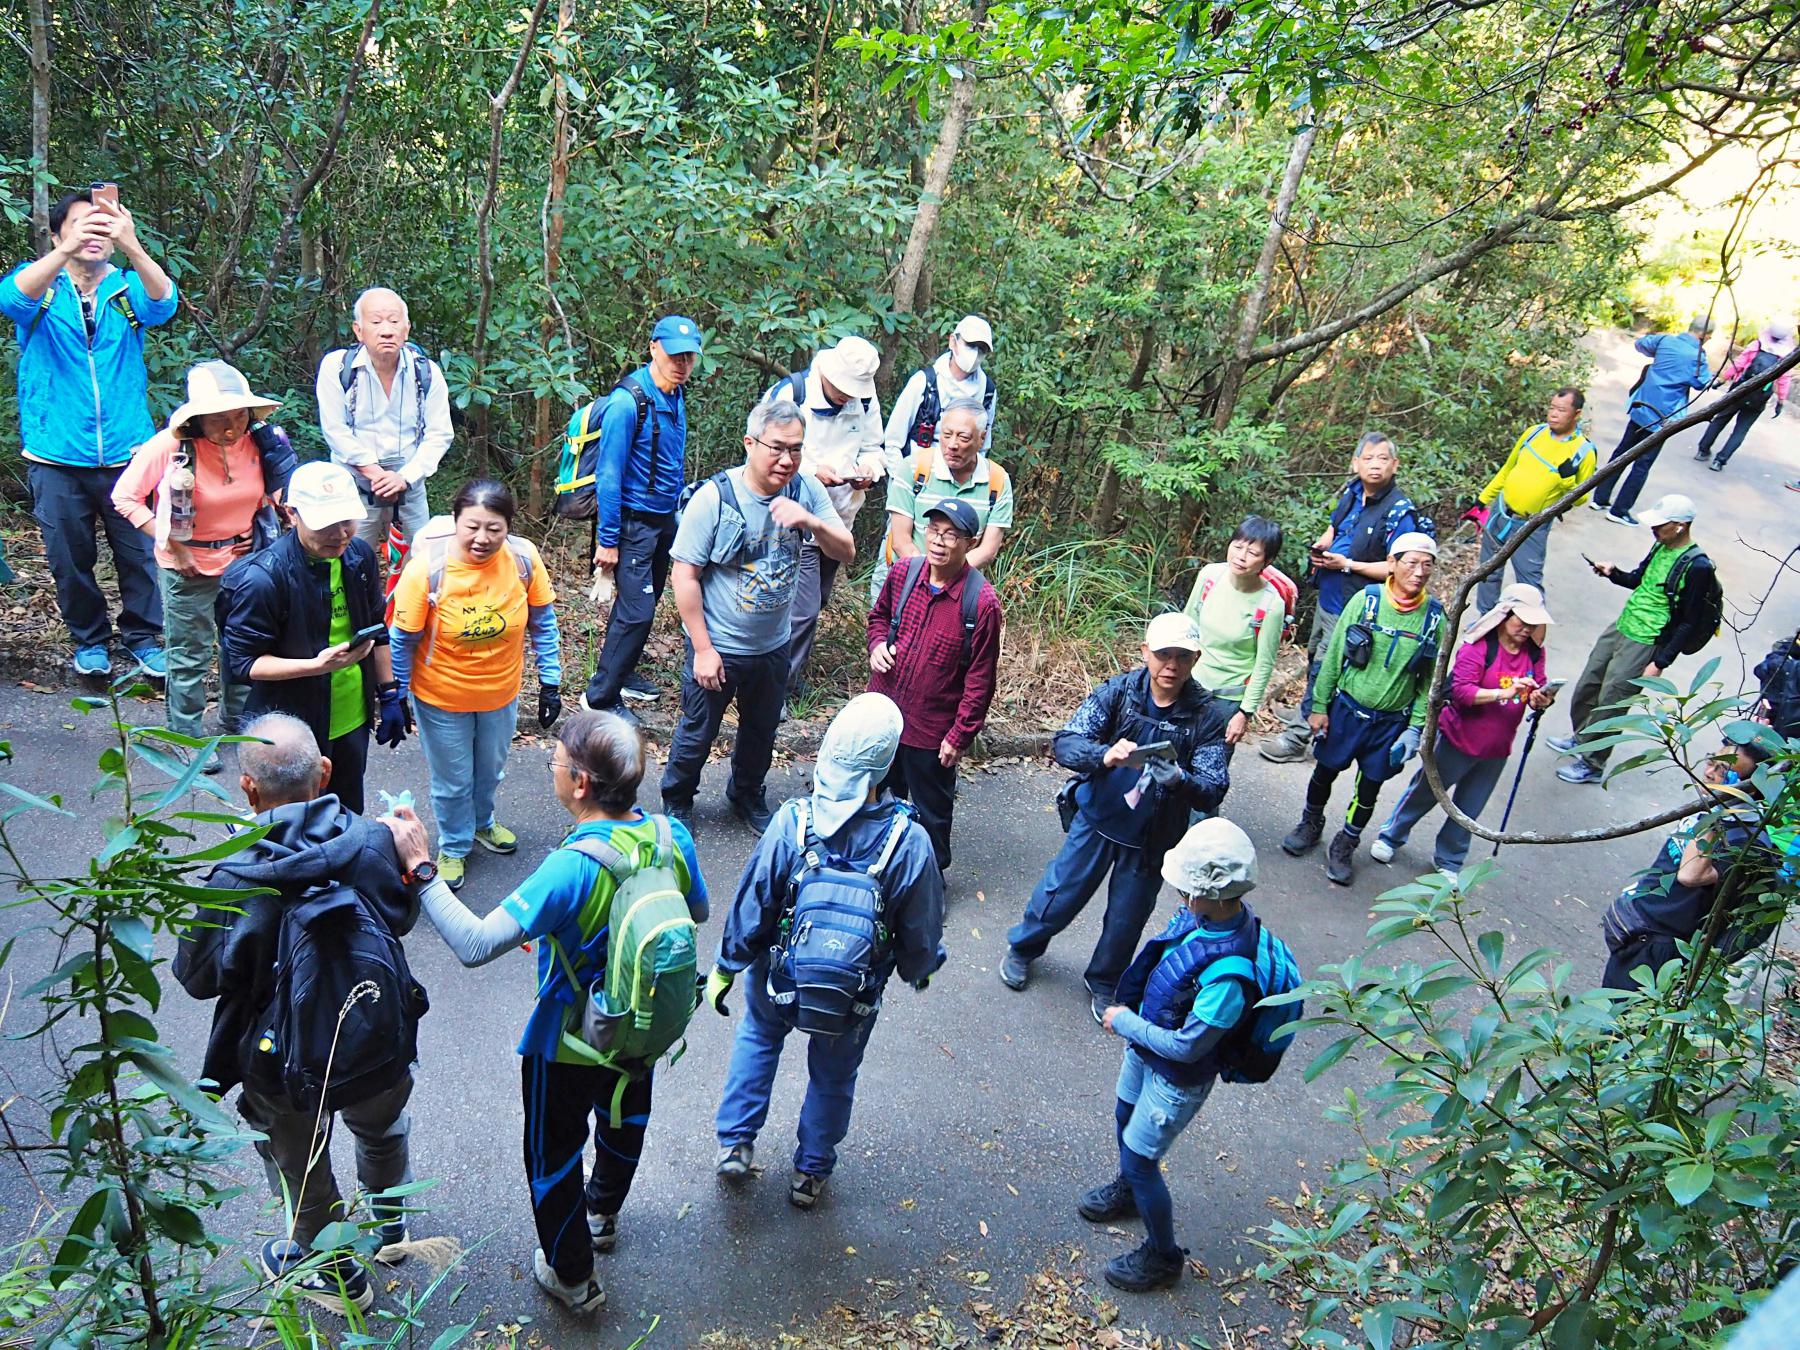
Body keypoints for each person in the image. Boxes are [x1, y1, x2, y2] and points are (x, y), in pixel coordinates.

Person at [383, 710, 708, 1316]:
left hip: (569, 1039)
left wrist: (423, 871)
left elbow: (475, 944)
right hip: (642, 1023)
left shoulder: (572, 866)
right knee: (624, 1118)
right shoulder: (672, 838)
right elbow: (697, 912)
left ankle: (573, 1276)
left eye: (555, 762)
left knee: (553, 1153)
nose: (551, 771)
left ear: (581, 783)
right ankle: (602, 1214)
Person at [173, 713, 424, 1316]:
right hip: (373, 1036)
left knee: (299, 1164)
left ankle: (335, 1274)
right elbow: (402, 916)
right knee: (381, 1126)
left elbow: (197, 977)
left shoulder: (235, 875)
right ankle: (389, 1222)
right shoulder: (373, 842)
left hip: (281, 1060)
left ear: (248, 789)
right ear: (326, 772)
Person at [706, 694, 944, 1209]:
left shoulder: (794, 821)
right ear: (885, 766)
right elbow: (920, 925)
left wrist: (727, 965)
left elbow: (756, 899)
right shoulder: (908, 841)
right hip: (852, 992)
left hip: (778, 976)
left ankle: (736, 1142)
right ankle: (810, 1172)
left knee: (759, 1036)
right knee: (834, 1074)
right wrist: (919, 969)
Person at [1079, 817, 1297, 1293]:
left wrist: (1126, 1022)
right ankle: (1130, 1188)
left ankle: (1163, 1255)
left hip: (1175, 1078)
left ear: (1209, 895)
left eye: (1186, 889)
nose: (1179, 895)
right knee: (1124, 1116)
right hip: (1146, 1047)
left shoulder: (1230, 979)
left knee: (1142, 1160)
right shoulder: (1207, 917)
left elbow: (1187, 1047)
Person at [1001, 612, 1232, 1022]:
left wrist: (1181, 780)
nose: (1172, 665)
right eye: (1163, 654)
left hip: (1153, 837)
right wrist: (1103, 755)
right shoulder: (1119, 693)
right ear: (1146, 652)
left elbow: (1214, 785)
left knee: (1127, 919)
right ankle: (1023, 948)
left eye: (1182, 656)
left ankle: (1106, 981)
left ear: (1196, 659)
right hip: (1097, 819)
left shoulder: (1207, 716)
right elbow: (1066, 742)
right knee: (1059, 895)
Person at [1, 185, 177, 678]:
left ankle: (143, 638)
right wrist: (64, 252)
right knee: (69, 558)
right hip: (56, 454)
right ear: (57, 233)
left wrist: (132, 244)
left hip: (128, 453)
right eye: (81, 224)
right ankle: (90, 641)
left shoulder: (126, 288)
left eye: (104, 224)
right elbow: (10, 299)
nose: (93, 233)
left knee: (140, 555)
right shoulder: (41, 285)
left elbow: (163, 304)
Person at [660, 399, 853, 833]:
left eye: (796, 449)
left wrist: (813, 522)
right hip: (719, 644)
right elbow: (685, 576)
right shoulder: (715, 498)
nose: (787, 459)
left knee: (761, 731)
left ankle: (746, 793)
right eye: (777, 447)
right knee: (698, 730)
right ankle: (677, 799)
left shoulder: (805, 491)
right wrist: (703, 649)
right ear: (750, 444)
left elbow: (846, 549)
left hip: (773, 644)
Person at [389, 480, 561, 891]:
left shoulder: (523, 559)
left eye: (494, 528)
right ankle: (453, 844)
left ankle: (482, 823)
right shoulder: (428, 569)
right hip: (441, 696)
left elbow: (543, 622)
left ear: (508, 527)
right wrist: (396, 694)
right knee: (453, 780)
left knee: (490, 770)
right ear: (456, 522)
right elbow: (403, 639)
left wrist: (550, 681)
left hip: (501, 692)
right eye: (472, 527)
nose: (482, 538)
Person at [112, 362, 281, 771]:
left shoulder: (259, 442)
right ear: (198, 418)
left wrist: (257, 530)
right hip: (186, 566)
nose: (231, 426)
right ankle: (185, 735)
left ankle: (237, 720)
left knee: (243, 644)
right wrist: (173, 545)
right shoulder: (169, 448)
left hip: (243, 563)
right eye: (219, 417)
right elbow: (125, 497)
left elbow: (272, 493)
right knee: (190, 654)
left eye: (239, 415)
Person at [219, 461, 409, 814]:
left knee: (346, 814)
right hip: (289, 728)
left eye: (347, 520)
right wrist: (315, 666)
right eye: (326, 523)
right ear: (292, 514)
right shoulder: (263, 579)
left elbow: (375, 627)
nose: (340, 533)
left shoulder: (358, 557)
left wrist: (389, 694)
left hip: (350, 715)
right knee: (290, 821)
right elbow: (244, 664)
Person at [1281, 532, 1443, 887]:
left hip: (1391, 723)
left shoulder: (1433, 618)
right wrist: (1319, 706)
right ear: (1392, 564)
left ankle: (1347, 842)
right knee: (1324, 771)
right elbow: (1333, 655)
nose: (1419, 572)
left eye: (1427, 565)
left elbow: (1429, 681)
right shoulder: (1366, 601)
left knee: (1370, 786)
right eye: (1411, 563)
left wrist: (1415, 728)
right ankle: (1310, 823)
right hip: (1346, 710)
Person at [1260, 432, 1434, 763]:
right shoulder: (1353, 493)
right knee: (1315, 656)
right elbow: (1335, 527)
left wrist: (1348, 564)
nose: (1375, 464)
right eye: (1368, 458)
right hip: (1329, 596)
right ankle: (1306, 711)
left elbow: (1400, 568)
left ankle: (1297, 738)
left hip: (1356, 607)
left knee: (1326, 666)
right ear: (1356, 464)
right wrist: (1323, 546)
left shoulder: (1399, 512)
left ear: (1395, 465)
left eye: (1382, 458)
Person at [1371, 584, 1557, 879]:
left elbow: (1539, 683)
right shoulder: (1479, 647)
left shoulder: (1534, 653)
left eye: (1533, 623)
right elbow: (1462, 692)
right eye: (1522, 620)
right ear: (1505, 614)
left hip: (1497, 747)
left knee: (1470, 807)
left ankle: (1450, 859)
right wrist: (1505, 693)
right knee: (1425, 792)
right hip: (1456, 739)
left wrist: (1539, 698)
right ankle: (1391, 836)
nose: (1527, 628)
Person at [570, 315, 702, 719]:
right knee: (638, 611)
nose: (681, 364)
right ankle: (599, 698)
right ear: (653, 348)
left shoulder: (676, 395)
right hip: (631, 523)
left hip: (663, 520)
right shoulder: (627, 403)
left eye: (689, 357)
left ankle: (622, 673)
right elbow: (609, 476)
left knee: (644, 602)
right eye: (674, 355)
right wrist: (607, 541)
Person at [866, 498, 1004, 870]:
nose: (939, 542)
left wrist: (960, 735)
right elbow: (878, 617)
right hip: (883, 715)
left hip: (931, 731)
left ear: (970, 543)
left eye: (951, 535)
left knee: (932, 814)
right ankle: (876, 869)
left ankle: (929, 878)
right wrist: (877, 645)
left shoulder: (981, 602)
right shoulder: (904, 573)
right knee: (875, 800)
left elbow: (980, 679)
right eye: (934, 531)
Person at [1551, 494, 1717, 785]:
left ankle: (1593, 763)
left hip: (1646, 639)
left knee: (1612, 702)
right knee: (1589, 685)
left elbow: (1689, 621)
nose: (1654, 530)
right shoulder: (1660, 545)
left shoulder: (1697, 567)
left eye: (1660, 525)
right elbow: (1639, 580)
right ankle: (1582, 738)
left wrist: (1661, 661)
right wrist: (1613, 573)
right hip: (1622, 626)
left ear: (1680, 525)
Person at [1600, 743, 1780, 991]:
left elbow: (1690, 875)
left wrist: (1719, 810)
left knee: (1615, 1010)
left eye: (1722, 770)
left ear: (1748, 787)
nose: (1708, 773)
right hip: (1638, 920)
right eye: (1711, 762)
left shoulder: (1743, 843)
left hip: (1659, 946)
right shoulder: (1709, 809)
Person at [762, 336, 886, 695]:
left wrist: (869, 470)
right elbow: (762, 455)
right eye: (843, 388)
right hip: (793, 519)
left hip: (838, 518)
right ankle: (775, 690)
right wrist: (812, 472)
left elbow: (874, 447)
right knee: (801, 609)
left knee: (815, 601)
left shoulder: (865, 400)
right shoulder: (792, 394)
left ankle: (787, 675)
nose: (848, 396)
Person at [315, 288, 454, 558]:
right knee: (351, 560)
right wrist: (375, 473)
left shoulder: (426, 372)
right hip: (354, 487)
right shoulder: (337, 368)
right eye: (376, 322)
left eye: (394, 321)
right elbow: (335, 430)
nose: (386, 331)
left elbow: (439, 434)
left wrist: (404, 478)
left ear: (406, 329)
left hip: (410, 486)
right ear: (359, 330)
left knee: (423, 559)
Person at [875, 397, 1013, 600]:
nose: (952, 445)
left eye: (963, 438)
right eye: (946, 435)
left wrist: (944, 581)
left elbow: (987, 550)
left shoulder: (997, 480)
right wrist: (927, 580)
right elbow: (901, 540)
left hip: (958, 593)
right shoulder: (914, 468)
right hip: (906, 581)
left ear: (982, 438)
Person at [1473, 387, 1598, 611]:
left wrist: (1567, 480)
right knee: (1487, 572)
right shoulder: (1534, 433)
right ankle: (1485, 619)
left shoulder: (1583, 452)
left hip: (1531, 525)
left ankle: (1529, 626)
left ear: (1576, 414)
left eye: (1561, 410)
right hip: (1501, 512)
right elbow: (1508, 468)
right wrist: (1483, 499)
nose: (1553, 414)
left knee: (1529, 583)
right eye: (1551, 408)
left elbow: (1581, 498)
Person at [1592, 316, 1713, 525]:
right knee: (1642, 464)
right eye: (1709, 336)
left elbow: (1641, 344)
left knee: (1622, 452)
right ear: (1704, 335)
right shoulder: (1697, 357)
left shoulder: (1665, 340)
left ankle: (1599, 497)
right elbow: (1702, 383)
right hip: (1663, 417)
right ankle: (1619, 510)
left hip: (1641, 406)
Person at [1183, 516, 1287, 754]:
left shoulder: (1271, 605)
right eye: (1238, 547)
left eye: (1252, 553)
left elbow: (1264, 663)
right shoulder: (1210, 576)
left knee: (1211, 764)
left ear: (1267, 561)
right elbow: (1187, 626)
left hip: (1228, 700)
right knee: (1171, 757)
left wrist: (1244, 713)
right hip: (1190, 685)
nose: (1241, 556)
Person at [881, 314, 997, 481]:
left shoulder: (987, 391)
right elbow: (893, 441)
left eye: (982, 349)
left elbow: (983, 447)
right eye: (970, 345)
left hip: (959, 481)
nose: (975, 353)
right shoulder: (924, 382)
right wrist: (902, 482)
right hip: (917, 475)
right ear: (953, 342)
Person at [1693, 319, 1792, 472]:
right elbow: (1784, 380)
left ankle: (1702, 451)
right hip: (1758, 398)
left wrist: (1722, 380)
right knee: (1741, 430)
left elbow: (1738, 364)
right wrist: (1781, 401)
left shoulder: (1757, 345)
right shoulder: (1785, 356)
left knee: (1720, 419)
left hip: (1739, 390)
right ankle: (1719, 461)